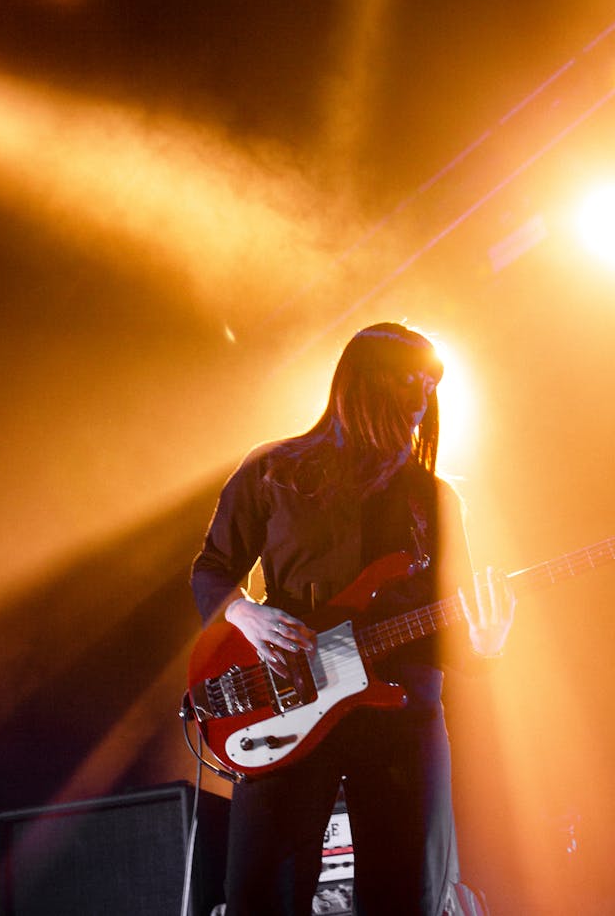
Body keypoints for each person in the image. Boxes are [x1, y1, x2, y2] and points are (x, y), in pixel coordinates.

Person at [190, 322, 516, 916]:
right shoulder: (276, 469)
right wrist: (245, 616)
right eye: (411, 379)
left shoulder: (435, 498)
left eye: (431, 383)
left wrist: (485, 645)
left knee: (408, 891)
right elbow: (211, 569)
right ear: (364, 383)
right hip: (287, 694)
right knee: (264, 892)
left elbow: (455, 623)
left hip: (401, 711)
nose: (423, 395)